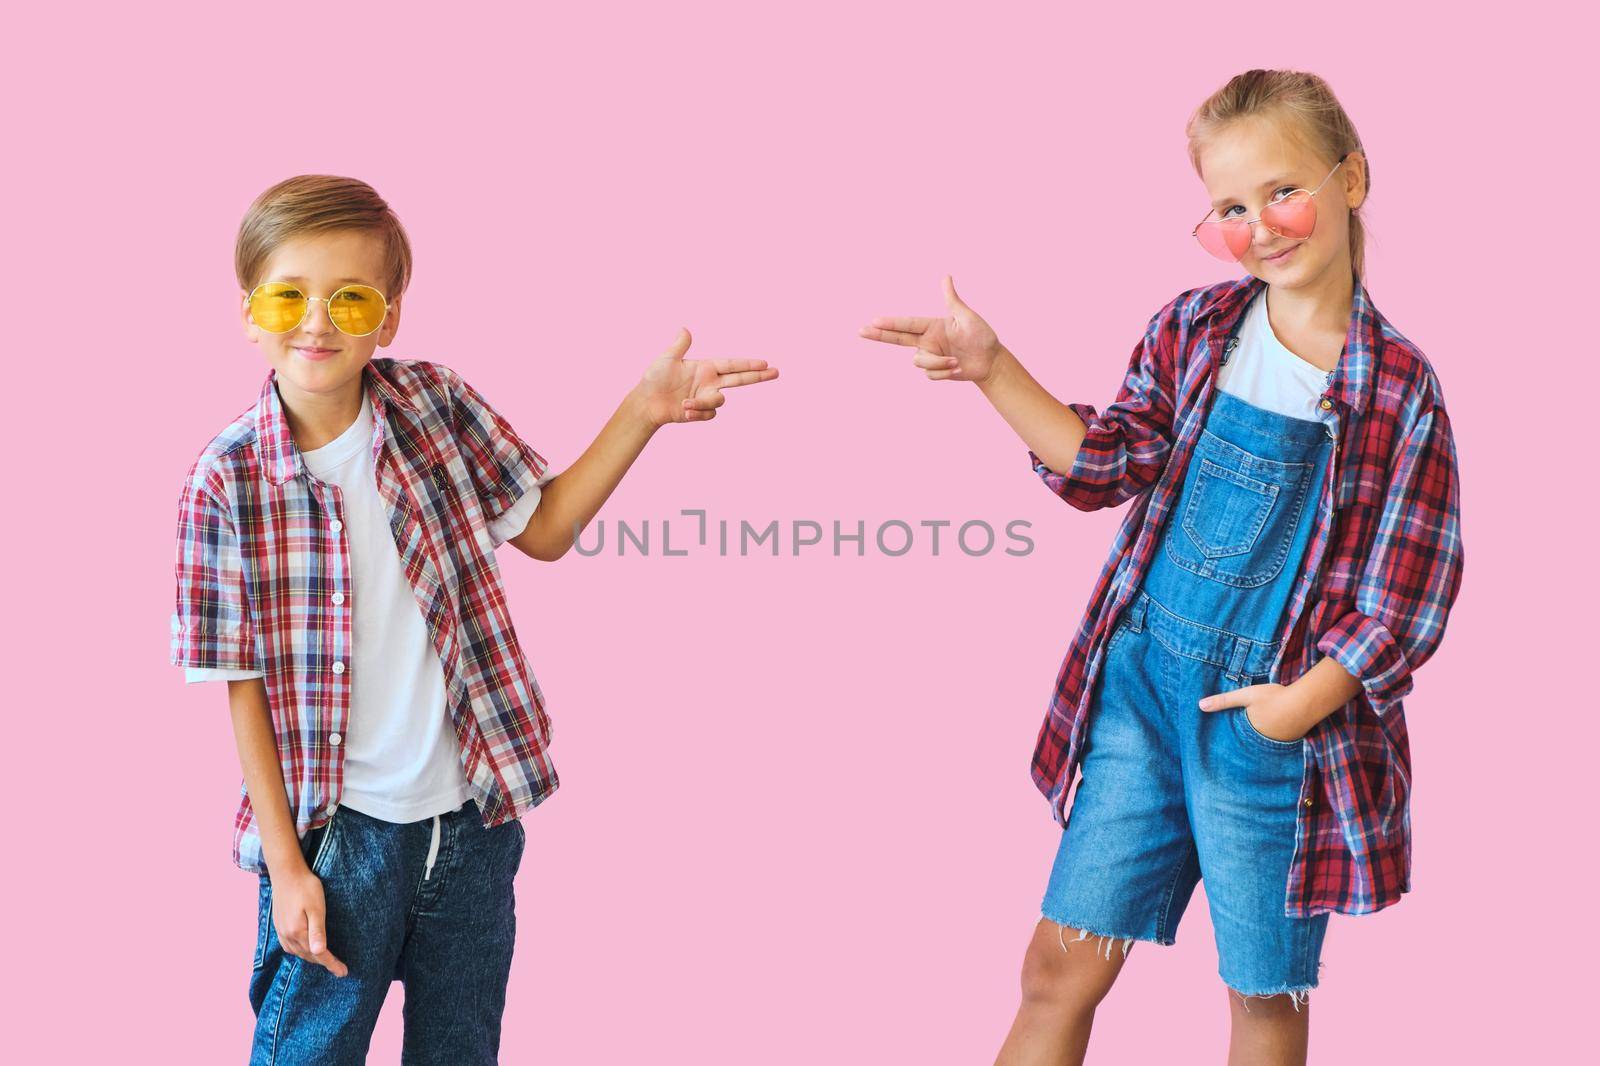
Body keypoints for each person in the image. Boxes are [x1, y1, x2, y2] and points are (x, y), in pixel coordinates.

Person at [859, 69, 1464, 1065]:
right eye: (1230, 206)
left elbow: (1406, 592)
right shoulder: (1192, 330)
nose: (1260, 225)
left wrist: (1294, 705)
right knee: (1057, 966)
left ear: (1350, 178)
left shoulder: (1396, 388)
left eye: (1282, 190)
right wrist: (991, 367)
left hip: (1270, 727)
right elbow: (1105, 464)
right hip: (1141, 693)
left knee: (1261, 1001)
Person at [170, 174, 778, 1064]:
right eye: (289, 295)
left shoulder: (435, 407)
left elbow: (547, 528)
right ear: (249, 310)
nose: (318, 323)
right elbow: (241, 686)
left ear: (390, 315)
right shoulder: (226, 482)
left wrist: (643, 412)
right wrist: (288, 866)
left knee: (461, 1050)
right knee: (307, 1050)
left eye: (351, 298)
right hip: (336, 841)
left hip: (471, 825)